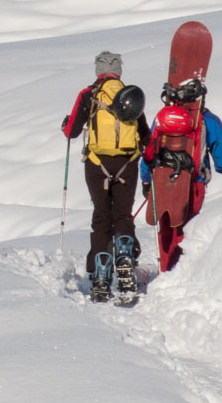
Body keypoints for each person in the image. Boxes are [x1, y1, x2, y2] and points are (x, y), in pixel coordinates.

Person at [62, 51, 151, 299]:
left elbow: (72, 131)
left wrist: (66, 125)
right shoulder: (131, 94)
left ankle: (101, 275)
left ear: (98, 70)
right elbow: (145, 135)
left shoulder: (88, 94)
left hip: (96, 163)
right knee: (123, 215)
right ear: (119, 70)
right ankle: (125, 260)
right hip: (127, 163)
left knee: (101, 216)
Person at [141, 102, 222, 269]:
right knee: (188, 226)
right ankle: (182, 270)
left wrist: (146, 179)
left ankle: (166, 270)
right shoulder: (207, 119)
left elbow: (149, 148)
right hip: (194, 182)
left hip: (162, 180)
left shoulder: (163, 117)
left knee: (166, 227)